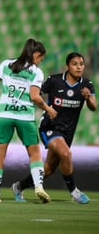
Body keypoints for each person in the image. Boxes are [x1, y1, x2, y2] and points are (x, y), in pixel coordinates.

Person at [12, 52, 96, 204]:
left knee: (49, 168)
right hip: (49, 127)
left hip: (68, 132)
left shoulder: (87, 85)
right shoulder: (54, 81)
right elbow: (35, 94)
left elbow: (93, 107)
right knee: (66, 153)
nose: (79, 67)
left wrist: (88, 98)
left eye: (81, 64)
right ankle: (74, 191)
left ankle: (19, 186)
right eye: (75, 64)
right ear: (67, 66)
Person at [0, 38, 57, 203]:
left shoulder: (6, 64)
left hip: (4, 115)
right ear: (36, 54)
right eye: (41, 58)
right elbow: (35, 97)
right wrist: (48, 109)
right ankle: (39, 187)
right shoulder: (36, 72)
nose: (41, 61)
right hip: (25, 117)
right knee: (34, 154)